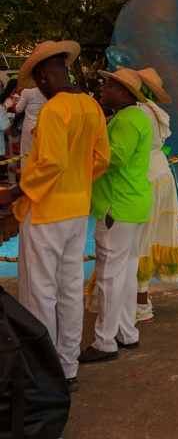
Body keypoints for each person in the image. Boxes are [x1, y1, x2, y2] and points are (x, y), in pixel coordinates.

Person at [0, 40, 109, 392]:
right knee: (68, 289)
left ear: (46, 76)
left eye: (38, 80)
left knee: (39, 294)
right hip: (78, 212)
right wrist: (75, 181)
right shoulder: (91, 106)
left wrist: (14, 192)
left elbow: (52, 163)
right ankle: (67, 368)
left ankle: (43, 373)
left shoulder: (52, 111)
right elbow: (100, 159)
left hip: (46, 212)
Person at [79, 68, 153, 364]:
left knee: (110, 275)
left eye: (109, 84)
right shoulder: (133, 117)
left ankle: (105, 341)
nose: (103, 87)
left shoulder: (126, 120)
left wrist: (79, 160)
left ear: (124, 92)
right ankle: (126, 331)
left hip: (117, 205)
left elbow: (114, 157)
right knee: (124, 273)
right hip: (130, 203)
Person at [133, 67, 178, 324]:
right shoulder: (154, 111)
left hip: (146, 177)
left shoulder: (137, 113)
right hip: (161, 172)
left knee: (139, 241)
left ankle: (139, 305)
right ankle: (141, 301)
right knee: (148, 238)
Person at [15, 83, 47, 165]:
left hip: (29, 125)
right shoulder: (46, 89)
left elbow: (18, 108)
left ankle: (26, 174)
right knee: (42, 151)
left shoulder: (27, 91)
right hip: (44, 123)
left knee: (27, 151)